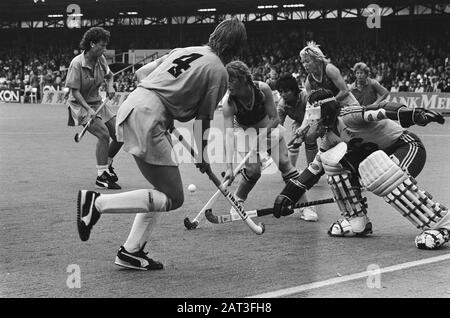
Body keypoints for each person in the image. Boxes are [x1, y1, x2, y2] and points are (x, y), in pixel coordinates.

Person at [76, 17, 247, 270]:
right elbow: (203, 119)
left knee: (160, 190)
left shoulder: (188, 50)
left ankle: (131, 252)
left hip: (134, 105)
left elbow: (141, 73)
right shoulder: (218, 70)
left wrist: (165, 103)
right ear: (237, 47)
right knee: (174, 197)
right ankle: (97, 203)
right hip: (149, 117)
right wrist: (202, 156)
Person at [272, 88, 449, 250]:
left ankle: (442, 222)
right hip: (380, 158)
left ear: (324, 113)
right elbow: (314, 169)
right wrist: (288, 196)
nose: (310, 122)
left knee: (382, 173)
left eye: (313, 116)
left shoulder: (348, 116)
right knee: (330, 162)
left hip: (406, 147)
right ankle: (355, 219)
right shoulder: (328, 139)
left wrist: (412, 114)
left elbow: (380, 110)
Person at [222, 61, 318, 222]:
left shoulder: (263, 89)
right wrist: (229, 168)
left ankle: (304, 205)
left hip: (267, 127)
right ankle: (237, 201)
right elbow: (228, 135)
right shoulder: (229, 103)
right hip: (244, 132)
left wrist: (261, 136)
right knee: (253, 171)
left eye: (231, 80)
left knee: (284, 163)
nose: (228, 84)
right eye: (227, 80)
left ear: (244, 79)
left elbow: (275, 118)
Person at [66, 27, 122, 189]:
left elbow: (110, 76)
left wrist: (110, 86)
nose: (104, 49)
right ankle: (101, 176)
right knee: (104, 134)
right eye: (102, 46)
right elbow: (74, 91)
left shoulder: (101, 59)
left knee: (120, 133)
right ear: (92, 44)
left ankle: (107, 163)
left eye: (105, 46)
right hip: (80, 105)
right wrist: (88, 109)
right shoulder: (76, 64)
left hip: (97, 102)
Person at [276, 74, 318, 167]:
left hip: (315, 119)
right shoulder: (281, 106)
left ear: (294, 90)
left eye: (286, 91)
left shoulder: (306, 97)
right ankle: (292, 172)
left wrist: (302, 133)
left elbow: (313, 116)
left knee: (309, 137)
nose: (283, 95)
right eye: (280, 92)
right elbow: (278, 127)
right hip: (299, 122)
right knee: (294, 143)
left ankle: (312, 170)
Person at [300, 41, 359, 107]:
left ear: (317, 60)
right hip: (333, 110)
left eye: (307, 61)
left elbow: (345, 91)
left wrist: (328, 102)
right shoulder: (308, 82)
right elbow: (310, 102)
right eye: (303, 62)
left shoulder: (329, 69)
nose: (304, 65)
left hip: (349, 105)